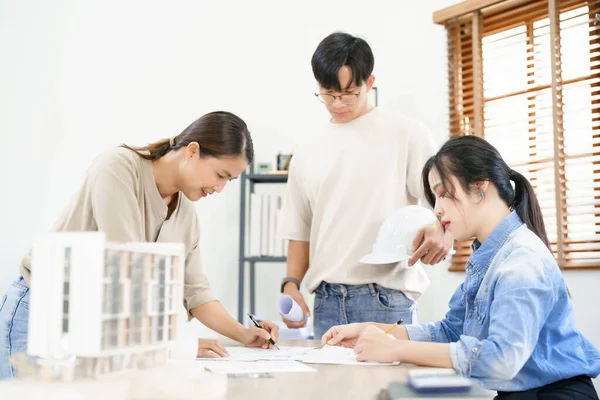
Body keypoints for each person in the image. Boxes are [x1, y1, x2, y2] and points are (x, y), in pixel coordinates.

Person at [0, 111, 279, 380]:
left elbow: (195, 291)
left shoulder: (185, 213)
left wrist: (243, 333)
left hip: (93, 330)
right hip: (41, 316)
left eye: (229, 181)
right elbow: (128, 270)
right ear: (192, 151)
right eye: (220, 175)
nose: (220, 189)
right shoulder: (118, 167)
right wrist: (178, 346)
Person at [322, 136, 600, 399]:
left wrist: (395, 348)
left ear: (480, 189)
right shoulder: (489, 256)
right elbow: (451, 332)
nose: (438, 210)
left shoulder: (521, 261)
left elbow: (502, 359)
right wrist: (373, 329)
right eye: (435, 198)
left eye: (443, 194)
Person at [277, 32, 453, 338]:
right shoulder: (306, 151)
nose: (338, 103)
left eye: (349, 93)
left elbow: (444, 200)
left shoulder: (407, 134)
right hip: (326, 301)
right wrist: (290, 284)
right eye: (328, 94)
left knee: (385, 387)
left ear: (369, 83)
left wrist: (441, 229)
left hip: (386, 299)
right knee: (326, 387)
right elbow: (300, 229)